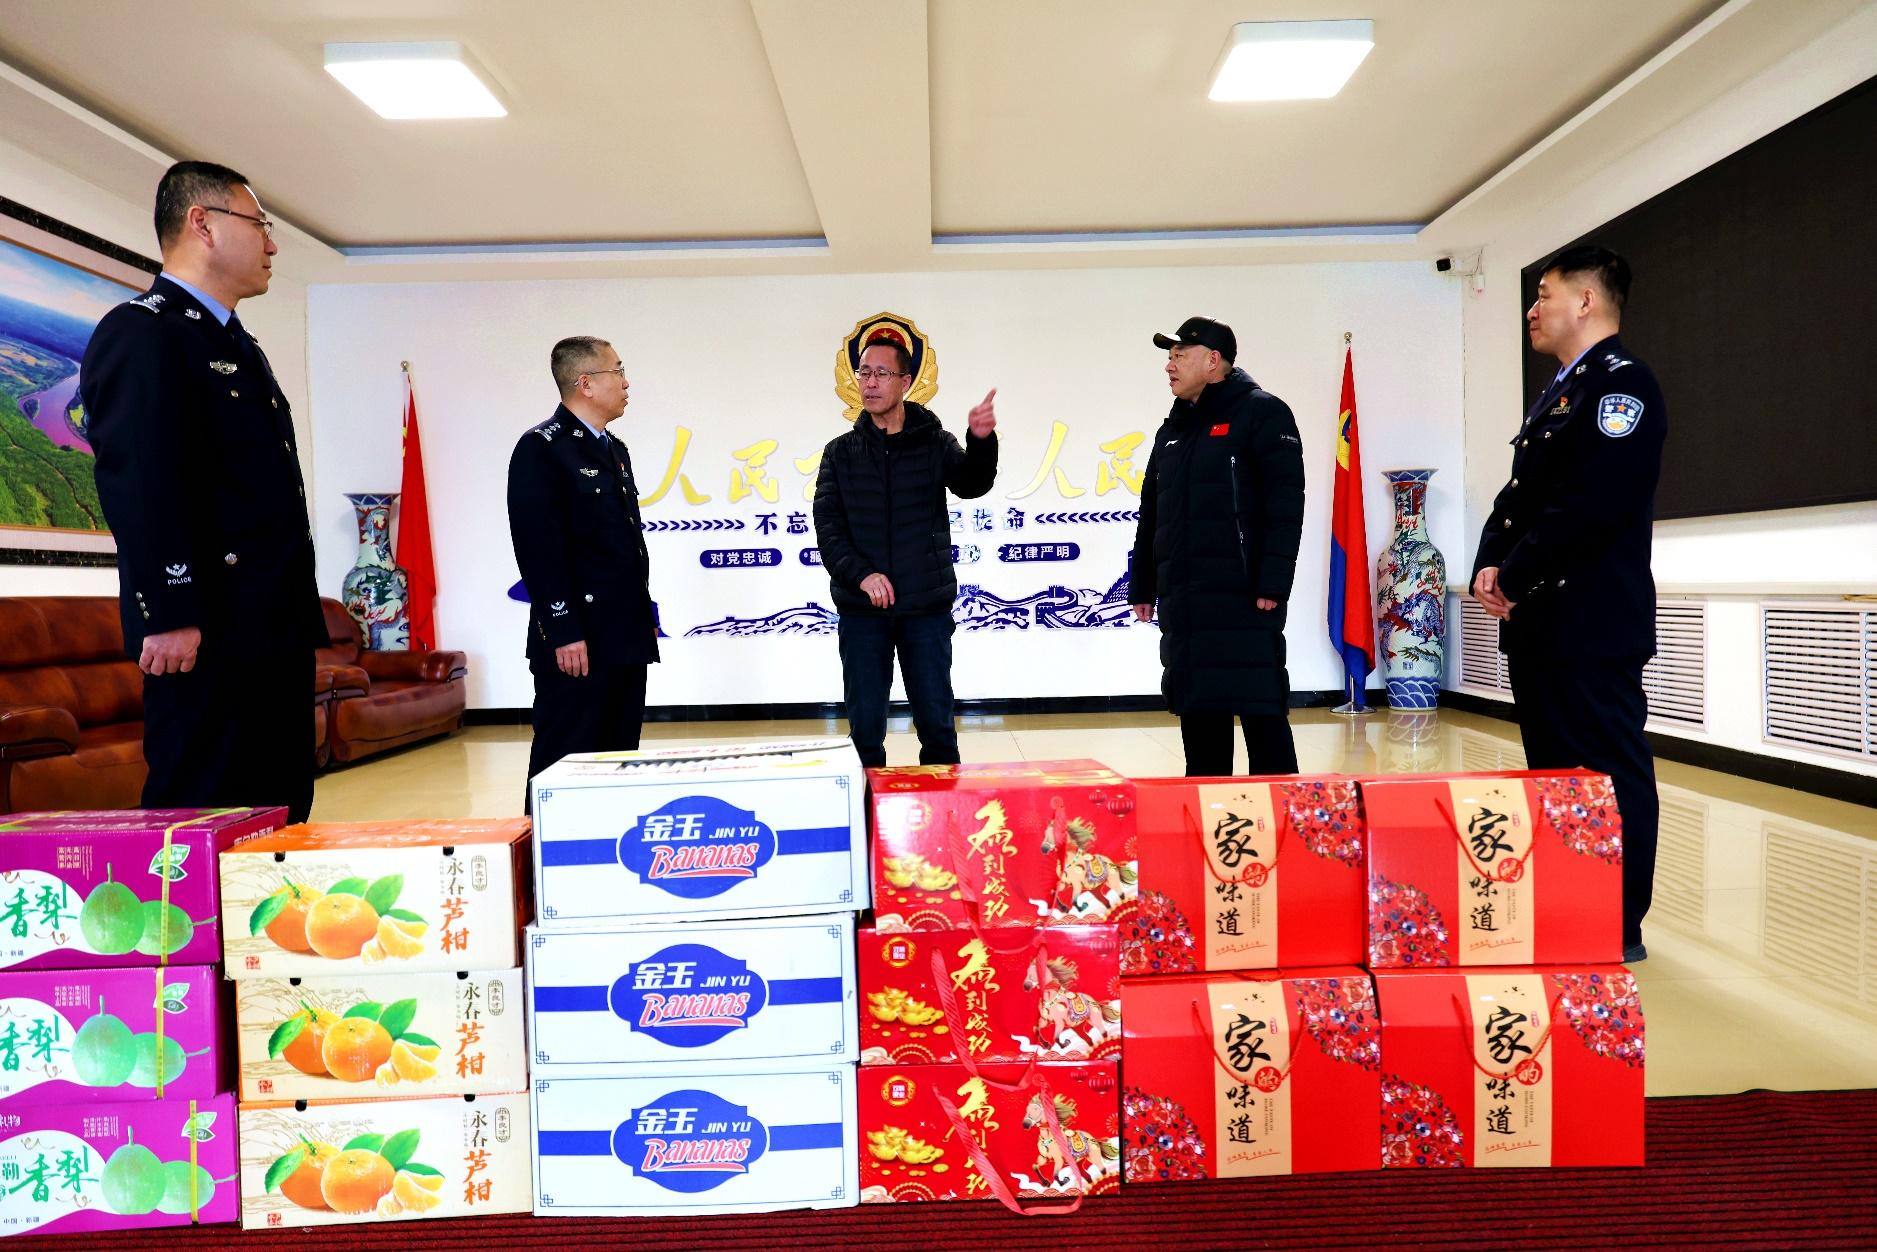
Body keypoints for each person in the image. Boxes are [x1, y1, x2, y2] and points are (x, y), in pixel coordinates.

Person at [81, 160, 323, 823]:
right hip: (206, 627)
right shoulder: (144, 332)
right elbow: (141, 480)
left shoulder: (232, 341)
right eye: (259, 224)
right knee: (200, 812)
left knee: (279, 806)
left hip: (266, 620)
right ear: (203, 223)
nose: (272, 244)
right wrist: (168, 612)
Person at [1471, 244, 1665, 964]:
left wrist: (1514, 574)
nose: (1532, 308)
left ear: (1585, 300)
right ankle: (1569, 899)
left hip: (1591, 619)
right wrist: (1489, 563)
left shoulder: (1621, 386)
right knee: (1553, 772)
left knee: (1606, 770)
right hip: (1544, 622)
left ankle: (1616, 919)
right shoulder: (1562, 390)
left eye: (1544, 293)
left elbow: (1594, 503)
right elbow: (1519, 496)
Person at [1128, 316, 1306, 777]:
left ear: (1213, 360)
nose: (1170, 365)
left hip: (1245, 598)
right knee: (1200, 724)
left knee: (1262, 716)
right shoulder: (1173, 430)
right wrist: (1142, 584)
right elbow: (1153, 513)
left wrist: (1272, 583)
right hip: (1187, 603)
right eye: (1169, 357)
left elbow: (1285, 506)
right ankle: (1207, 814)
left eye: (1179, 355)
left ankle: (1282, 812)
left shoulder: (1263, 413)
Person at [813, 335, 998, 767]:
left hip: (924, 609)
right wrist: (862, 575)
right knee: (864, 734)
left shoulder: (935, 442)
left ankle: (943, 810)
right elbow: (829, 529)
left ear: (905, 381)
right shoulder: (840, 453)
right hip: (862, 612)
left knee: (937, 728)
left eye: (881, 373)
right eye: (864, 373)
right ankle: (867, 809)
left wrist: (981, 440)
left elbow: (972, 484)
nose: (870, 383)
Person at [506, 337, 658, 809]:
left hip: (622, 636)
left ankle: (606, 846)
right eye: (618, 371)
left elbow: (623, 546)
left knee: (617, 757)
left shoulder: (614, 449)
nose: (627, 382)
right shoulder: (542, 448)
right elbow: (538, 549)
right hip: (578, 641)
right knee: (565, 757)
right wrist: (564, 630)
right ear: (586, 383)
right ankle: (541, 850)